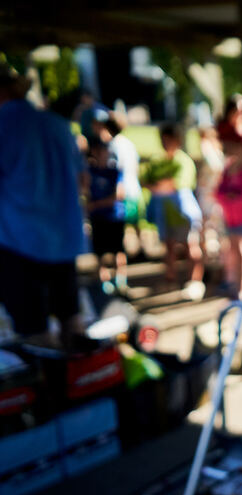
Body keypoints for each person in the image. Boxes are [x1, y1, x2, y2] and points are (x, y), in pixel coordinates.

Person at [0, 64, 85, 346]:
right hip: (62, 239)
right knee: (72, 321)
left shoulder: (4, 124)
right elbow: (82, 179)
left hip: (18, 241)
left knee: (34, 331)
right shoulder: (57, 124)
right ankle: (83, 380)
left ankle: (50, 385)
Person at [145, 123, 205, 298]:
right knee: (169, 247)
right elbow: (147, 182)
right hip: (166, 214)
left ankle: (195, 281)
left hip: (184, 213)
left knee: (191, 246)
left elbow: (175, 185)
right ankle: (170, 280)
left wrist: (160, 186)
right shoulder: (158, 161)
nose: (165, 144)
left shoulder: (184, 161)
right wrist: (161, 186)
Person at [215, 130, 242, 301]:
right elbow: (218, 192)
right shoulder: (229, 167)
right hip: (230, 217)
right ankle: (235, 285)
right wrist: (229, 198)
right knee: (232, 252)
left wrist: (233, 198)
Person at [85, 136, 128, 295]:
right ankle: (103, 282)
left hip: (114, 216)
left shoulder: (115, 171)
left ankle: (121, 281)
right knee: (100, 251)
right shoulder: (89, 171)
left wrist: (95, 205)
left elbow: (118, 195)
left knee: (118, 249)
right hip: (98, 218)